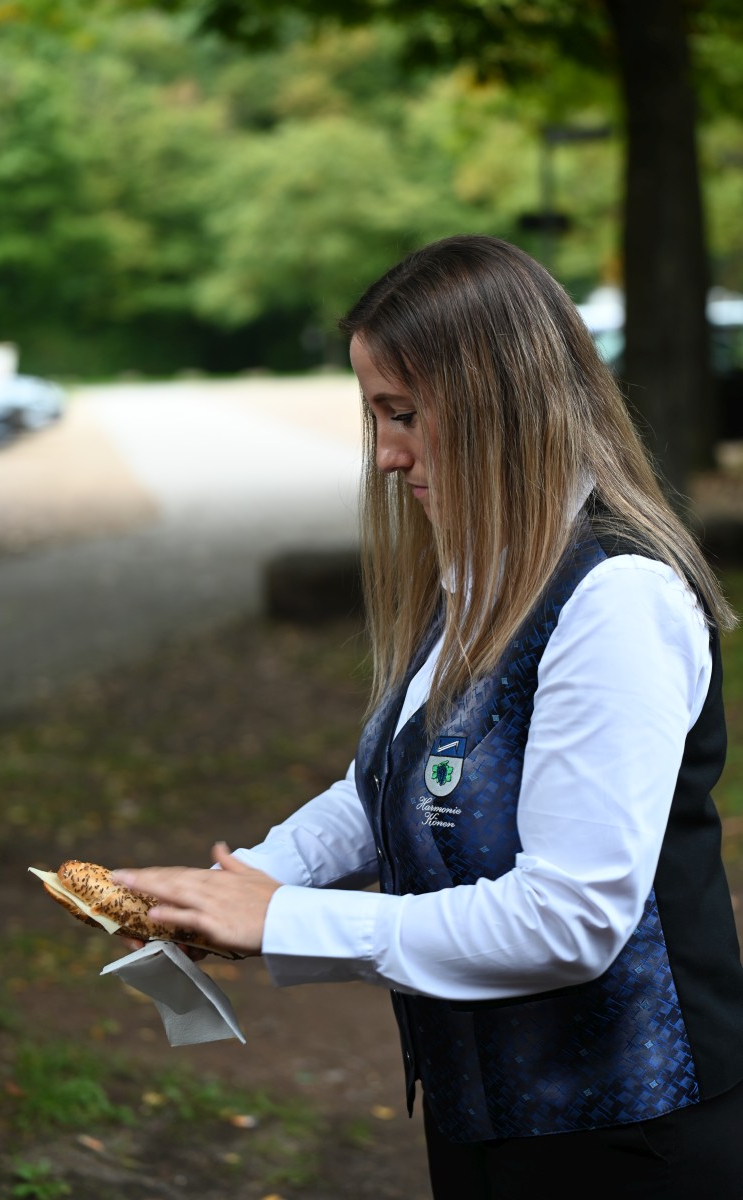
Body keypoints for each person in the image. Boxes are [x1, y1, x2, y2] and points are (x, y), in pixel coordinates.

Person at [113, 235, 743, 1198]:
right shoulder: (484, 575)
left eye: (402, 414)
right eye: (376, 416)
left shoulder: (618, 599)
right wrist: (240, 888)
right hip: (484, 1126)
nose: (384, 457)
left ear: (502, 403)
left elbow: (571, 919)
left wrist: (285, 918)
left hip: (628, 1140)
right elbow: (394, 785)